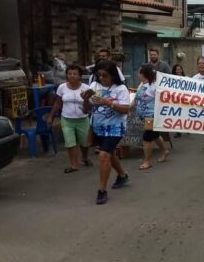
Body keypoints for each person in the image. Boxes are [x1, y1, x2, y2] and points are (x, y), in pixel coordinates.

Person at [88, 61, 131, 205]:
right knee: (110, 154)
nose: (101, 78)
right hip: (98, 126)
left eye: (105, 75)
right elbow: (86, 108)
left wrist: (108, 103)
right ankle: (122, 175)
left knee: (104, 155)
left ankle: (102, 190)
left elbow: (125, 109)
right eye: (99, 75)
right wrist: (84, 100)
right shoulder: (94, 86)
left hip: (115, 126)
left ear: (112, 75)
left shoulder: (121, 89)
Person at [47, 65, 93, 173]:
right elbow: (58, 103)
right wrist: (51, 117)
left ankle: (84, 157)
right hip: (67, 119)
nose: (72, 76)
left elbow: (89, 109)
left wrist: (85, 100)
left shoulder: (86, 88)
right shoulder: (62, 87)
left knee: (84, 142)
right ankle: (74, 165)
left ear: (80, 76)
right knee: (70, 142)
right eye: (69, 74)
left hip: (82, 119)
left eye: (75, 74)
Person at [132, 64, 170, 170]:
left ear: (143, 73)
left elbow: (163, 99)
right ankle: (164, 151)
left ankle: (147, 161)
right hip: (143, 116)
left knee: (147, 137)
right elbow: (136, 98)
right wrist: (128, 108)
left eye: (139, 72)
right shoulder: (141, 84)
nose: (138, 74)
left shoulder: (154, 85)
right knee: (155, 135)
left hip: (151, 116)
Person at [171, 64, 186, 138]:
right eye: (177, 69)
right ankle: (178, 131)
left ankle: (187, 127)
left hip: (184, 100)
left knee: (185, 115)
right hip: (176, 100)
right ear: (174, 70)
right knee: (177, 116)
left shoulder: (186, 79)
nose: (179, 71)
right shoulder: (171, 79)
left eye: (180, 69)